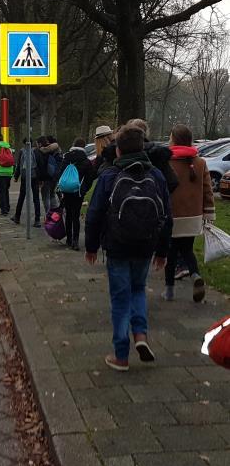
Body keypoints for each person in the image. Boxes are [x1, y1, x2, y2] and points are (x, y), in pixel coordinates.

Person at [85, 124, 172, 372]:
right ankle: (141, 336)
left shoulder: (110, 175)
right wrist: (163, 251)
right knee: (138, 291)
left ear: (119, 151)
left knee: (120, 299)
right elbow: (167, 215)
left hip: (117, 245)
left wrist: (91, 247)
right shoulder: (156, 175)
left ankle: (121, 355)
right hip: (145, 245)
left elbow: (94, 214)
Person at [163, 124, 214, 302]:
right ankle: (195, 275)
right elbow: (207, 190)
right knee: (187, 250)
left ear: (174, 139)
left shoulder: (167, 162)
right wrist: (209, 214)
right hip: (193, 217)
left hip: (172, 216)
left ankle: (169, 290)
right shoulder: (200, 163)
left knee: (170, 253)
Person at [56, 138, 95, 250]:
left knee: (68, 213)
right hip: (78, 192)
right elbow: (89, 177)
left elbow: (60, 173)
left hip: (66, 191)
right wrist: (84, 189)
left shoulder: (66, 157)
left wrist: (62, 186)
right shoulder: (86, 161)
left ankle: (68, 239)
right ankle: (75, 241)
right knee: (75, 215)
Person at [127, 118, 179, 193]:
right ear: (146, 132)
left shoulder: (122, 152)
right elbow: (172, 182)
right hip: (152, 200)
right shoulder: (158, 154)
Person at [11, 139, 41, 228]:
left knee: (22, 197)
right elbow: (39, 165)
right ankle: (37, 220)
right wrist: (40, 178)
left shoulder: (22, 151)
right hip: (34, 177)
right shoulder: (36, 151)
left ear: (24, 144)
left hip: (24, 177)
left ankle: (17, 216)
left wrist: (16, 177)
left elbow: (19, 165)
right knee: (36, 198)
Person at [38, 135, 61, 212]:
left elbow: (41, 166)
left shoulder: (43, 150)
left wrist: (40, 179)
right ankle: (55, 213)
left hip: (47, 177)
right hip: (55, 175)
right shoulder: (55, 149)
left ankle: (48, 215)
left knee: (46, 197)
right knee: (52, 195)